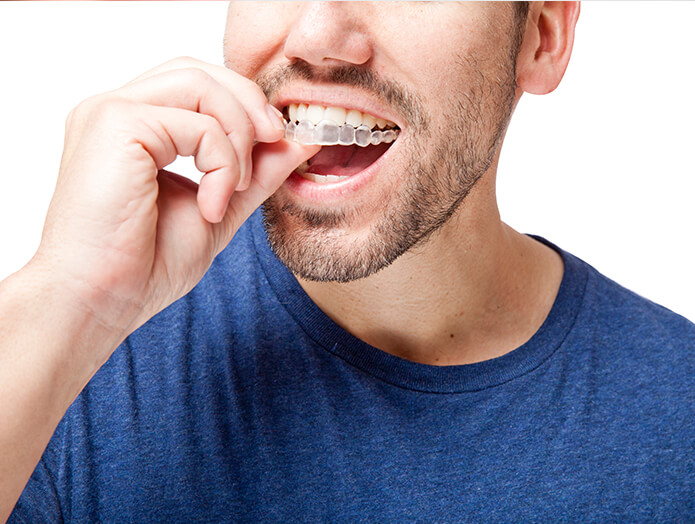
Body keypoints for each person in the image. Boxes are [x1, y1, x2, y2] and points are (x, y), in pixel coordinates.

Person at [2, 1, 693, 521]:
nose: (316, 39)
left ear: (541, 37)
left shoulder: (677, 413)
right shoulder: (67, 361)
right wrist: (70, 296)